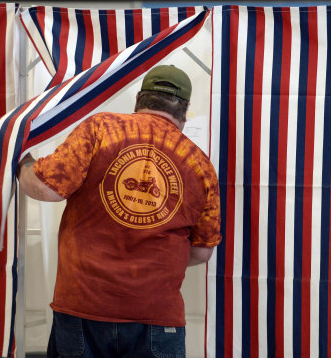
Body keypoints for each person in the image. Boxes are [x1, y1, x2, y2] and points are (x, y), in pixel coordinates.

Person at [17, 65, 221, 358]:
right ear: (184, 112)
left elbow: (46, 188)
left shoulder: (100, 129)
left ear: (139, 98)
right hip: (156, 315)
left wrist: (22, 160)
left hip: (84, 306)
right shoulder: (200, 165)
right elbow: (202, 252)